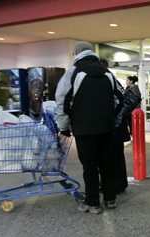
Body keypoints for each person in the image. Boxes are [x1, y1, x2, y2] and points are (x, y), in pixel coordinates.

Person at [55, 41, 122, 214]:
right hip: (106, 128)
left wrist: (63, 126)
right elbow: (118, 100)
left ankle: (92, 203)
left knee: (89, 166)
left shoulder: (73, 72)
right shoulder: (108, 73)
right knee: (107, 162)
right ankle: (110, 198)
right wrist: (112, 121)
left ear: (75, 54)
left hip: (84, 129)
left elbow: (62, 101)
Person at [101, 58, 129, 195]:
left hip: (115, 125)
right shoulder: (113, 78)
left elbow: (117, 102)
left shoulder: (107, 79)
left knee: (112, 156)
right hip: (119, 124)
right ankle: (120, 183)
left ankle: (115, 184)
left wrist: (114, 123)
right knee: (117, 155)